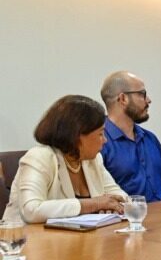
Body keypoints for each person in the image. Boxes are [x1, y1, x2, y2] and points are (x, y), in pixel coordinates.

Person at [2, 95, 126, 224]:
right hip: (23, 240)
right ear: (77, 135)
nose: (105, 140)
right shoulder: (39, 157)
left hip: (76, 240)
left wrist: (111, 207)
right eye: (100, 134)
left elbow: (120, 197)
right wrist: (94, 204)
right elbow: (31, 210)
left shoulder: (92, 160)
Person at [99, 71, 161, 202]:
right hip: (128, 218)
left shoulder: (150, 139)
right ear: (123, 99)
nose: (149, 100)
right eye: (142, 94)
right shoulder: (100, 143)